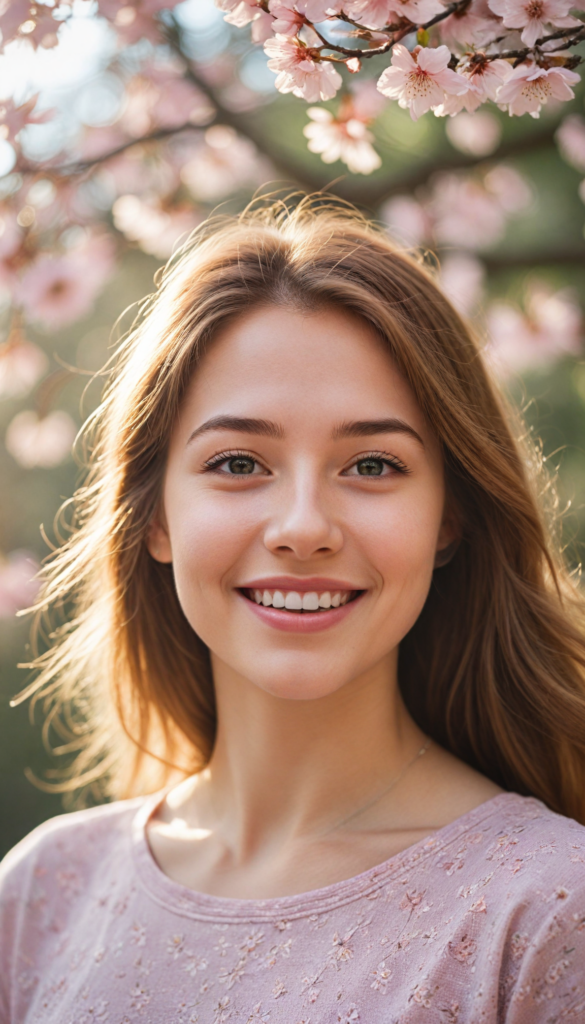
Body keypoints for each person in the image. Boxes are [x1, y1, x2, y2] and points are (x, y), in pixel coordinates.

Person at [2, 199, 585, 1024]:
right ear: (157, 516)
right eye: (238, 461)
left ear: (448, 519)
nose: (304, 527)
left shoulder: (547, 915)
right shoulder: (41, 896)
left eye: (373, 465)